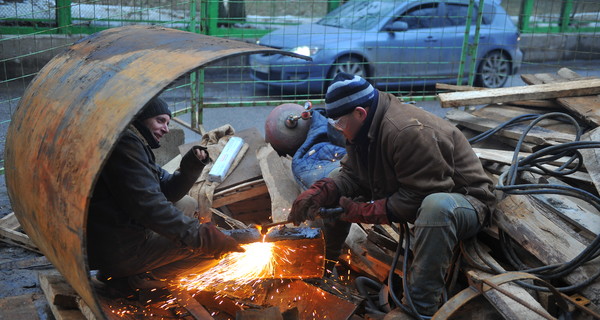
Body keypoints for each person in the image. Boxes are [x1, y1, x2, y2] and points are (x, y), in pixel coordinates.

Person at [288, 73, 496, 317]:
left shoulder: (404, 131)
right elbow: (353, 174)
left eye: (340, 124)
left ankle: (418, 309)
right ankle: (316, 274)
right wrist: (320, 192)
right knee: (333, 181)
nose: (340, 131)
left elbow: (418, 199)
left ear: (359, 113)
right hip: (414, 190)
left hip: (464, 201)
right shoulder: (364, 125)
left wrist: (360, 212)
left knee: (436, 207)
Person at [87, 97, 243, 295]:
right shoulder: (124, 146)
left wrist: (190, 167)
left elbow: (167, 191)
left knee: (187, 203)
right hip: (116, 249)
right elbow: (151, 207)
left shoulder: (136, 142)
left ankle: (125, 272)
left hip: (118, 232)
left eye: (168, 123)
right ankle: (131, 282)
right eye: (160, 121)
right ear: (141, 118)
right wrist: (201, 236)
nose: (166, 129)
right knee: (210, 252)